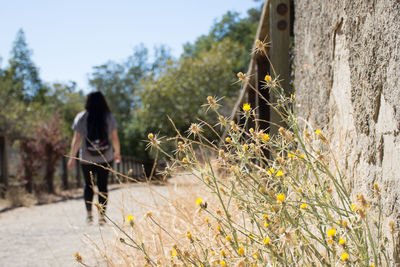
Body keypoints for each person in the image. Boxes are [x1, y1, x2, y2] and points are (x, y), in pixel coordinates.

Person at [67, 91, 121, 224]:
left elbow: (76, 139)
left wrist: (71, 157)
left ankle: (89, 215)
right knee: (103, 186)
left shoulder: (81, 117)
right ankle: (102, 217)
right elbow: (114, 138)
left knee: (88, 185)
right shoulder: (109, 117)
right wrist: (117, 153)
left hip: (86, 157)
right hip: (106, 156)